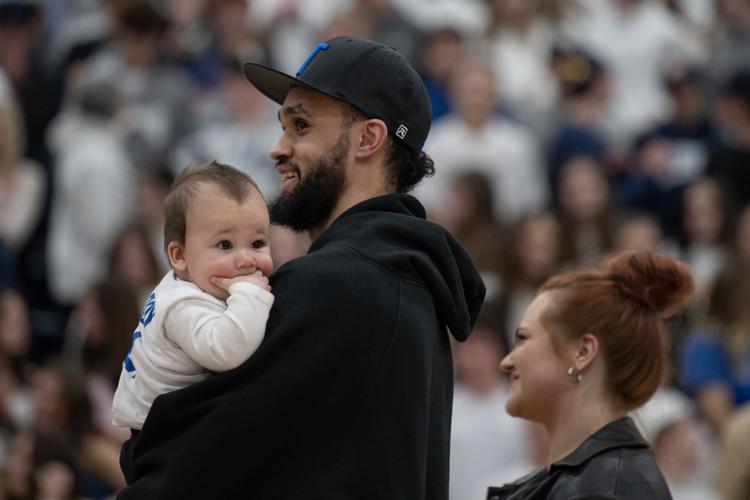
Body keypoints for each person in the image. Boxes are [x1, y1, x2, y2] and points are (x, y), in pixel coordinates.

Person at [117, 35, 485, 500]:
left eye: (301, 126)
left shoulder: (336, 284)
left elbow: (182, 466)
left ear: (368, 139)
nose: (277, 148)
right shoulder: (406, 279)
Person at [487, 251, 694, 499]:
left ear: (583, 352)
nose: (506, 362)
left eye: (523, 339)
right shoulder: (596, 481)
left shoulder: (605, 489)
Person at [111, 161, 274, 476]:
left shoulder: (188, 283)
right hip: (162, 444)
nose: (245, 259)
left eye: (257, 243)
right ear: (179, 256)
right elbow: (226, 349)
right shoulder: (183, 304)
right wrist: (252, 295)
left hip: (168, 431)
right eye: (224, 245)